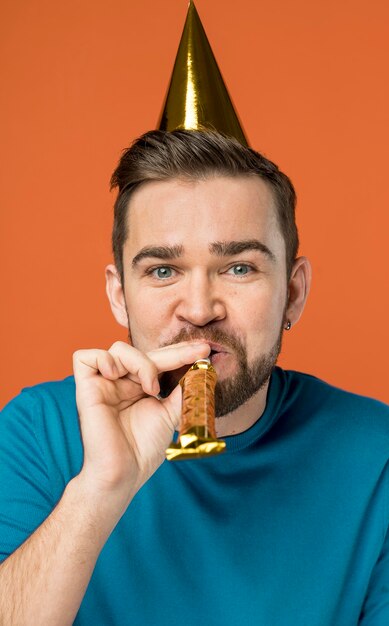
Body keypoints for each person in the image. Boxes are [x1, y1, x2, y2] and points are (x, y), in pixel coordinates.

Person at [0, 130, 388, 625]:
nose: (201, 310)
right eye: (163, 271)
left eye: (239, 267)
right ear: (120, 295)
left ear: (292, 292)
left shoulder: (377, 454)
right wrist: (99, 490)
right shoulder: (36, 432)